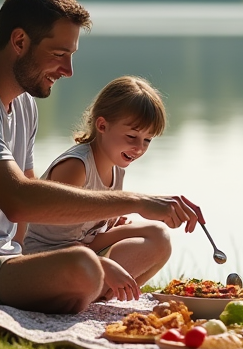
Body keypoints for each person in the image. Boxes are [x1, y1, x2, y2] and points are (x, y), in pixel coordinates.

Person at [0, 0, 202, 313]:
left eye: (71, 56)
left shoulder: (23, 104)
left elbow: (25, 211)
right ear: (20, 41)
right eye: (59, 55)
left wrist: (33, 263)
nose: (68, 71)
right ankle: (82, 286)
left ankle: (77, 288)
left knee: (144, 244)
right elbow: (19, 201)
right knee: (82, 266)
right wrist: (138, 202)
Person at [21, 76, 173, 295]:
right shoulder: (75, 167)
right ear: (102, 125)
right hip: (47, 262)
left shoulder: (117, 164)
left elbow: (86, 226)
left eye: (147, 140)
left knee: (159, 235)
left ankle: (107, 296)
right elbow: (54, 245)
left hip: (82, 252)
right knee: (103, 263)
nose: (139, 148)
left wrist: (110, 223)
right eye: (132, 136)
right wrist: (103, 264)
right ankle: (90, 294)